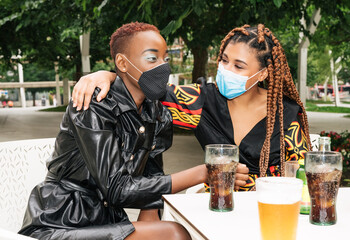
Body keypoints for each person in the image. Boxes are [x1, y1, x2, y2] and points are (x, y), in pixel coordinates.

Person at [18, 22, 220, 240]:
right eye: (152, 58)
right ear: (123, 63)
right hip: (60, 222)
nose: (163, 67)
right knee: (173, 233)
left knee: (172, 231)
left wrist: (151, 222)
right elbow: (117, 188)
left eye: (165, 59)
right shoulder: (93, 104)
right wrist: (202, 174)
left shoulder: (155, 112)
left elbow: (151, 181)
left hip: (107, 222)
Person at [72, 24, 310, 191]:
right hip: (214, 204)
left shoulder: (286, 115)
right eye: (224, 60)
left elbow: (301, 177)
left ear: (263, 74)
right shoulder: (200, 101)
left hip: (270, 208)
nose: (226, 70)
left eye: (238, 66)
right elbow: (146, 87)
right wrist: (110, 75)